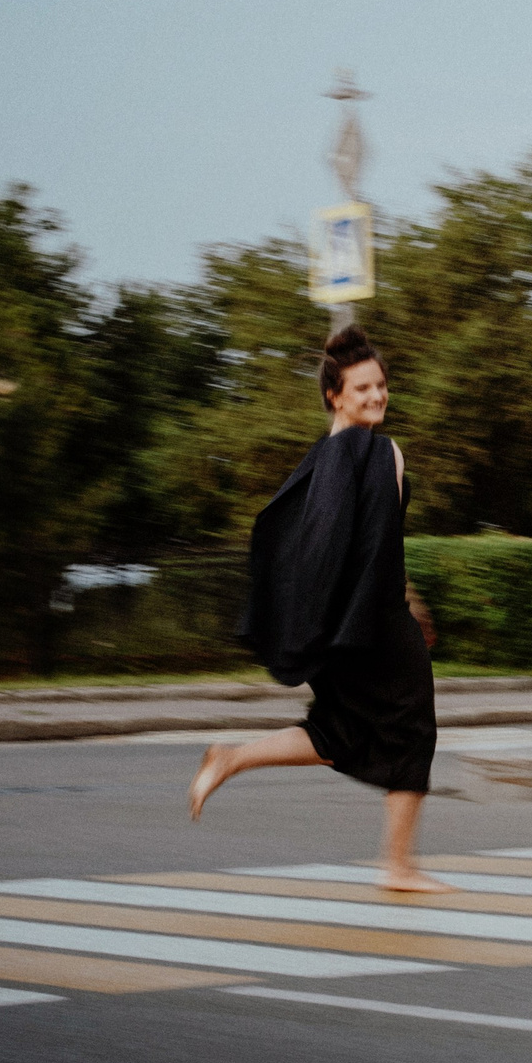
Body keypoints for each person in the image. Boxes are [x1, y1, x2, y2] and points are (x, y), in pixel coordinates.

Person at [186, 322, 454, 893]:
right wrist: (391, 614)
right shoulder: (375, 452)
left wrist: (331, 621)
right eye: (363, 389)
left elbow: (344, 547)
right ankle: (398, 866)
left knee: (338, 733)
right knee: (413, 734)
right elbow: (360, 548)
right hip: (371, 627)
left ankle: (231, 758)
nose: (377, 396)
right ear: (335, 395)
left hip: (344, 627)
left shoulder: (323, 459)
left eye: (381, 385)